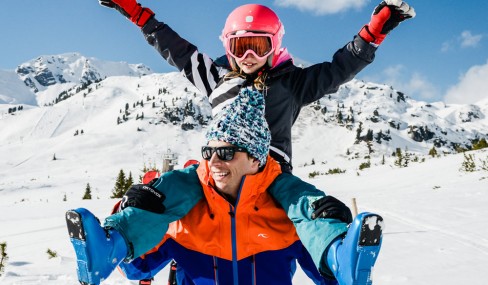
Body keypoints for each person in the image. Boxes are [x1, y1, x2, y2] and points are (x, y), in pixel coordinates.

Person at [66, 88, 383, 284]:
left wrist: (332, 230)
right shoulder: (183, 212)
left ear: (256, 159)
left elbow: (325, 279)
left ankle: (344, 255)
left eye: (227, 153)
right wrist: (128, 209)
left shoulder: (286, 216)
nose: (214, 162)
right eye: (209, 152)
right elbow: (139, 270)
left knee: (312, 210)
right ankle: (105, 246)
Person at [98, 0, 415, 173]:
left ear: (275, 47)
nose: (248, 57)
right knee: (175, 186)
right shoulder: (216, 77)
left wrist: (371, 35)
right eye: (240, 47)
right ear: (228, 46)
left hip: (271, 171)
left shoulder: (293, 84)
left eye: (259, 47)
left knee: (303, 208)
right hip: (219, 166)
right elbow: (177, 50)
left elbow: (338, 69)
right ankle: (118, 239)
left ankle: (336, 250)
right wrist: (138, 14)